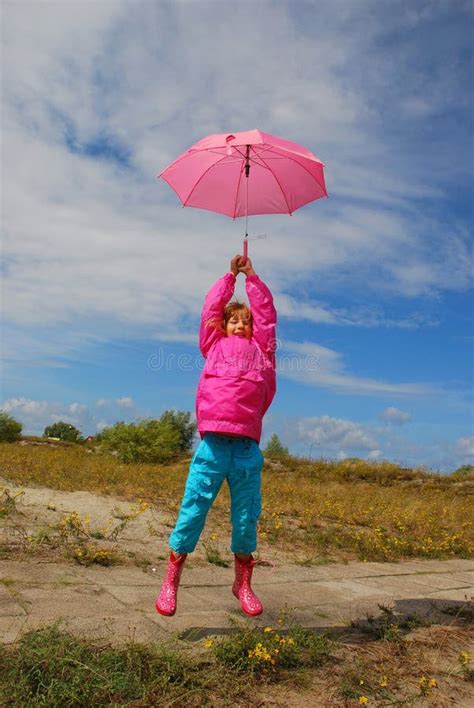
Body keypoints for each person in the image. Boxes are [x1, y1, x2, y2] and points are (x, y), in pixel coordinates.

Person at [155, 254, 277, 617]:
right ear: (222, 326)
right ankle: (171, 580)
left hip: (245, 449)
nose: (240, 325)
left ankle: (242, 582)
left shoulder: (262, 351)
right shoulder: (213, 346)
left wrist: (252, 278)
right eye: (233, 321)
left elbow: (267, 317)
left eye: (246, 322)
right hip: (212, 445)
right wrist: (230, 277)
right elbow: (211, 309)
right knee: (192, 512)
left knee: (245, 519)